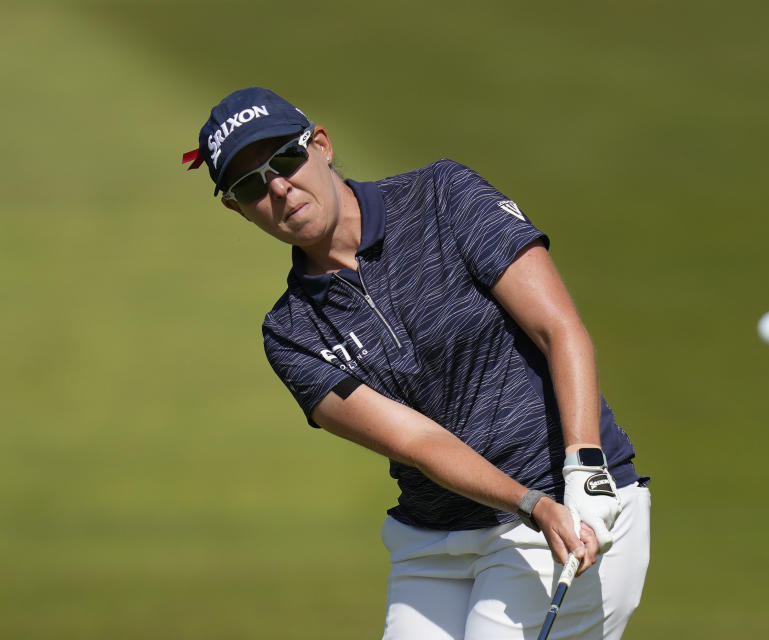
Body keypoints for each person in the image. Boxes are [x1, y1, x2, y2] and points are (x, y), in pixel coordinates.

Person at [184, 87, 651, 639]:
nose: (280, 187)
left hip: (570, 509)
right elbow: (419, 443)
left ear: (322, 145)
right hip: (436, 543)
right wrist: (528, 504)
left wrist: (584, 470)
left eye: (285, 159)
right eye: (251, 184)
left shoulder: (441, 196)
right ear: (236, 208)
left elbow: (559, 329)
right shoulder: (290, 334)